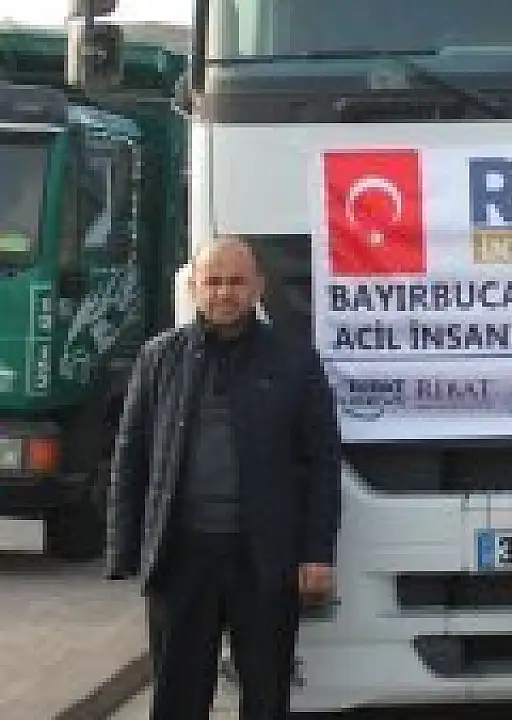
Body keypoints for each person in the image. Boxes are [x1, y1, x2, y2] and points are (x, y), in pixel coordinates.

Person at [105, 236, 342, 719]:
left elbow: (322, 462)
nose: (224, 293)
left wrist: (318, 552)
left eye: (236, 281)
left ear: (258, 287)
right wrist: (125, 550)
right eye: (213, 282)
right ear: (194, 287)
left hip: (266, 560)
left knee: (267, 695)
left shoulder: (295, 362)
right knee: (178, 698)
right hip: (182, 558)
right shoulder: (159, 359)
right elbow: (131, 458)